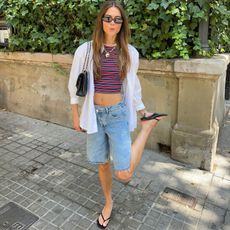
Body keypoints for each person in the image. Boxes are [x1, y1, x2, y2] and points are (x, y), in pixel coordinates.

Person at [68, 1, 165, 228]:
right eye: (108, 18)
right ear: (101, 21)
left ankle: (146, 129)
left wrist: (142, 111)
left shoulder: (130, 53)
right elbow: (73, 84)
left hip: (118, 115)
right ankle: (108, 202)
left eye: (117, 19)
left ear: (122, 24)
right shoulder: (85, 50)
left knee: (124, 173)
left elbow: (133, 85)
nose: (112, 23)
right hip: (94, 114)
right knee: (102, 163)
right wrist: (75, 114)